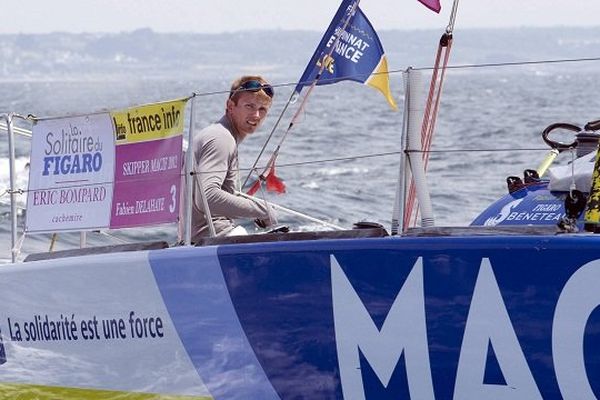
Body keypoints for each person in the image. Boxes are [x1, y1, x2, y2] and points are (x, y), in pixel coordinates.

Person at [191, 75, 277, 242]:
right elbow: (206, 197)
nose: (256, 115)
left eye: (263, 109)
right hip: (215, 241)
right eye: (249, 106)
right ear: (231, 106)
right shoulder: (221, 138)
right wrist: (262, 210)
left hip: (200, 242)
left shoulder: (217, 134)